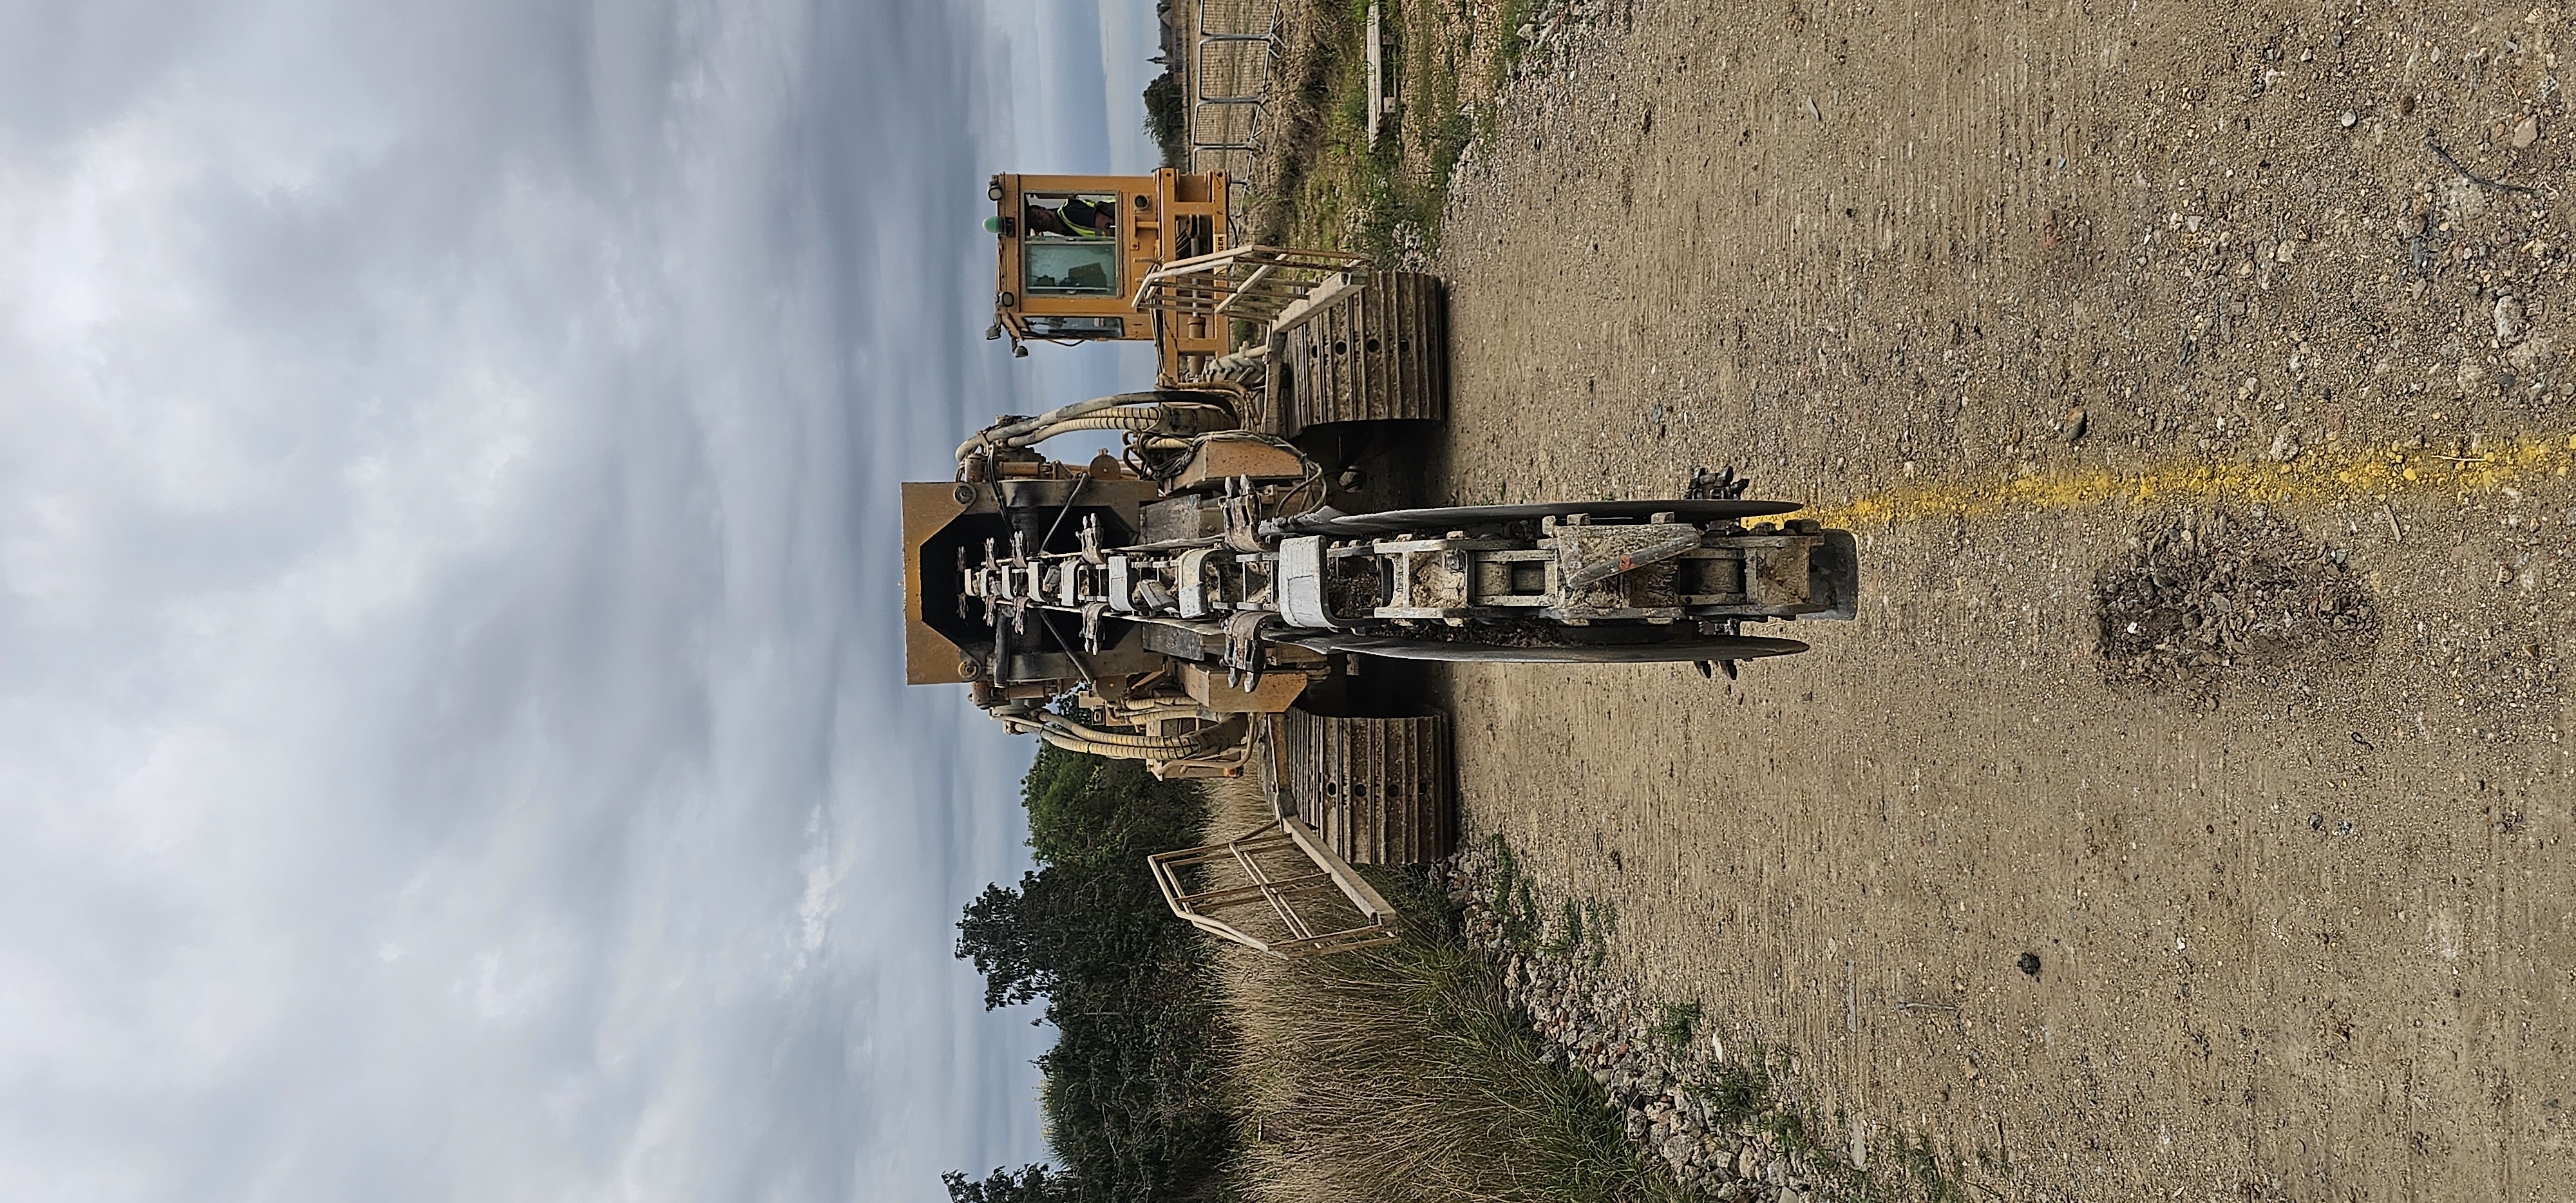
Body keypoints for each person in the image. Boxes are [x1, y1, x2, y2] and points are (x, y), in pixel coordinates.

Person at [1023, 196, 1115, 238]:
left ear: (1043, 209)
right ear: (1037, 231)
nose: (1040, 222)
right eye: (1036, 224)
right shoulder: (1065, 234)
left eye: (1037, 216)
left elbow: (1107, 224)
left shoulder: (1069, 212)